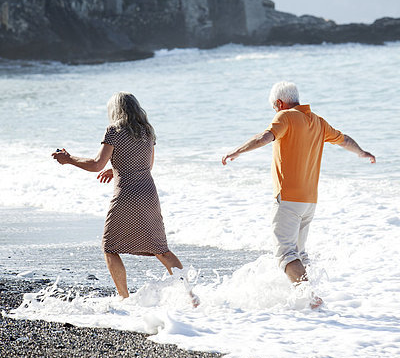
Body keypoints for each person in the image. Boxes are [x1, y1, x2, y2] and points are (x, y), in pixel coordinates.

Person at [222, 81, 375, 304]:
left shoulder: (285, 117)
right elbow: (344, 139)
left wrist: (235, 152)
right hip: (309, 201)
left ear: (279, 103)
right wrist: (361, 152)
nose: (275, 111)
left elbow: (264, 137)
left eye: (274, 107)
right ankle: (308, 298)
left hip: (288, 199)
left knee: (286, 254)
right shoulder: (318, 122)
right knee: (299, 253)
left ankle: (310, 297)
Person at [52, 91, 198, 306]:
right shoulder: (147, 131)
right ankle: (191, 296)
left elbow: (95, 164)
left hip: (127, 194)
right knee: (161, 248)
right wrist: (116, 168)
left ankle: (124, 297)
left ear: (115, 110)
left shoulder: (113, 130)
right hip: (149, 193)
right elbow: (146, 166)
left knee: (110, 246)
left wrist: (69, 159)